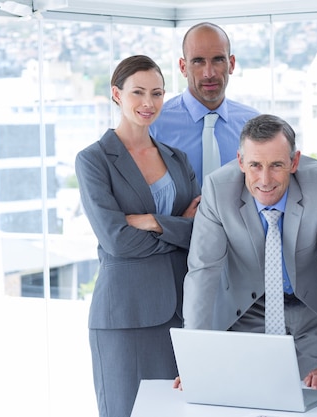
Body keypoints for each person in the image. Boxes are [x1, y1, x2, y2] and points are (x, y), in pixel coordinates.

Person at [182, 114, 317, 391]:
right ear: (241, 162)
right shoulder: (218, 189)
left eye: (276, 165)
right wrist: (193, 356)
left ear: (294, 161)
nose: (265, 179)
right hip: (248, 309)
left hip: (310, 309)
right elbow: (203, 271)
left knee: (311, 400)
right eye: (255, 165)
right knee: (246, 398)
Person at [75, 55, 201, 417]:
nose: (148, 103)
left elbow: (202, 232)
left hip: (182, 310)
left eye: (157, 93)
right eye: (138, 93)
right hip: (125, 315)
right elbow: (117, 240)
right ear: (117, 94)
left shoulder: (177, 159)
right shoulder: (94, 160)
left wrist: (151, 221)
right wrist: (176, 225)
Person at [149, 22, 259, 186]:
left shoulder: (254, 124)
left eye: (218, 60)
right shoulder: (154, 124)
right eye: (198, 61)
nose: (209, 73)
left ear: (232, 64)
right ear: (183, 67)